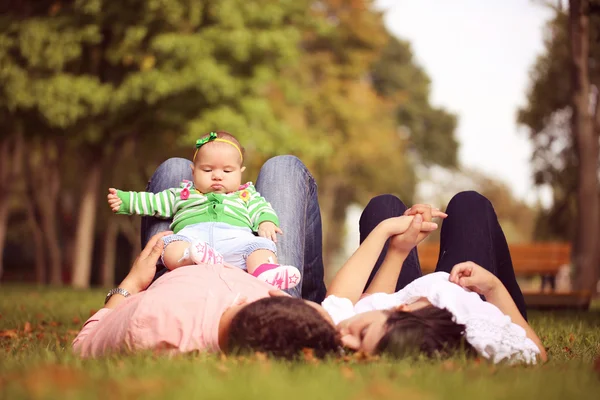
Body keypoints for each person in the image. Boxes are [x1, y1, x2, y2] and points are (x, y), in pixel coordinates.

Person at [106, 131, 300, 290]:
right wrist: (124, 200)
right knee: (169, 245)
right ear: (193, 171)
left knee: (260, 246)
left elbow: (262, 207)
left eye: (227, 171)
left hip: (237, 241)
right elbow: (153, 201)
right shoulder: (183, 193)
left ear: (240, 172)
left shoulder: (246, 194)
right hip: (193, 241)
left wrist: (266, 221)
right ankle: (191, 259)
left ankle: (265, 271)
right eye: (207, 170)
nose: (217, 176)